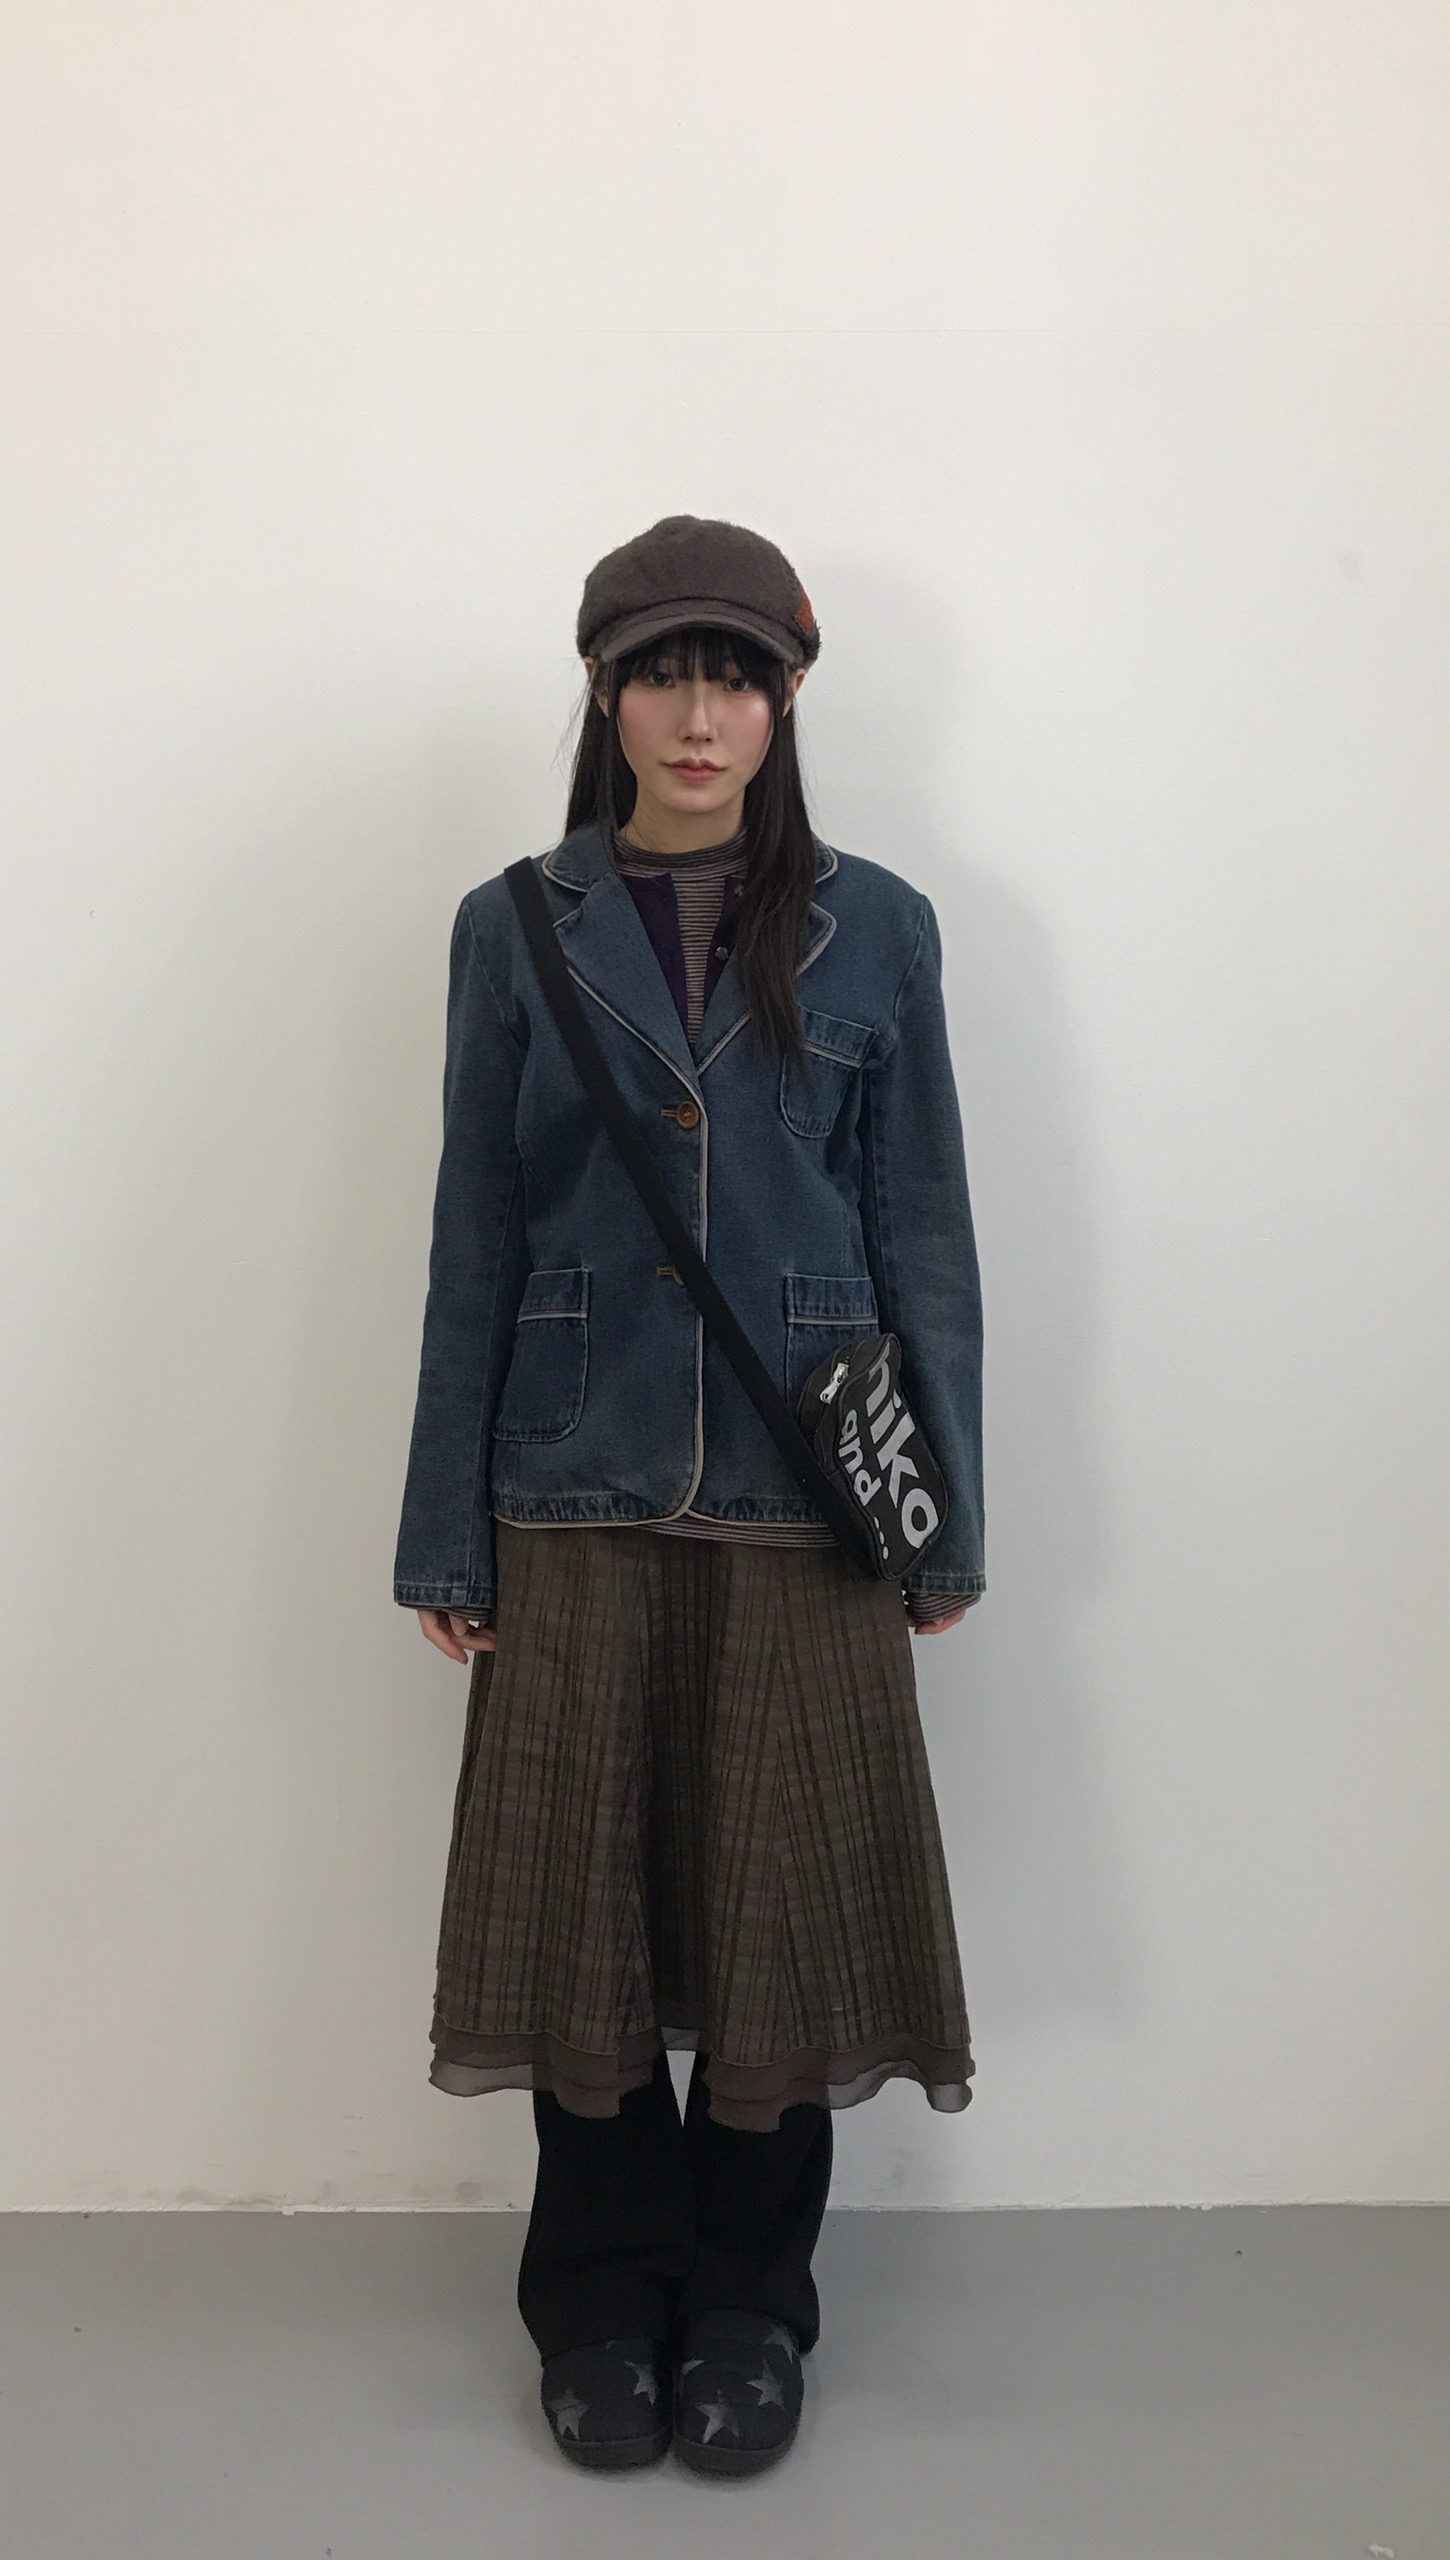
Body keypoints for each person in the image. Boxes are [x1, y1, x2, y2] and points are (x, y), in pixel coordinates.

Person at [394, 515, 984, 2476]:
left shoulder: (878, 926)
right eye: (663, 671)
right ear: (606, 691)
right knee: (577, 1926)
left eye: (736, 673)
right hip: (571, 1481)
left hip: (811, 1491)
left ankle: (746, 2303)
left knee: (775, 1919)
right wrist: (444, 1525)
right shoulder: (515, 926)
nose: (699, 711)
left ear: (788, 697)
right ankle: (597, 2300)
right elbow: (475, 1237)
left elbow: (923, 1234)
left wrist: (943, 1516)